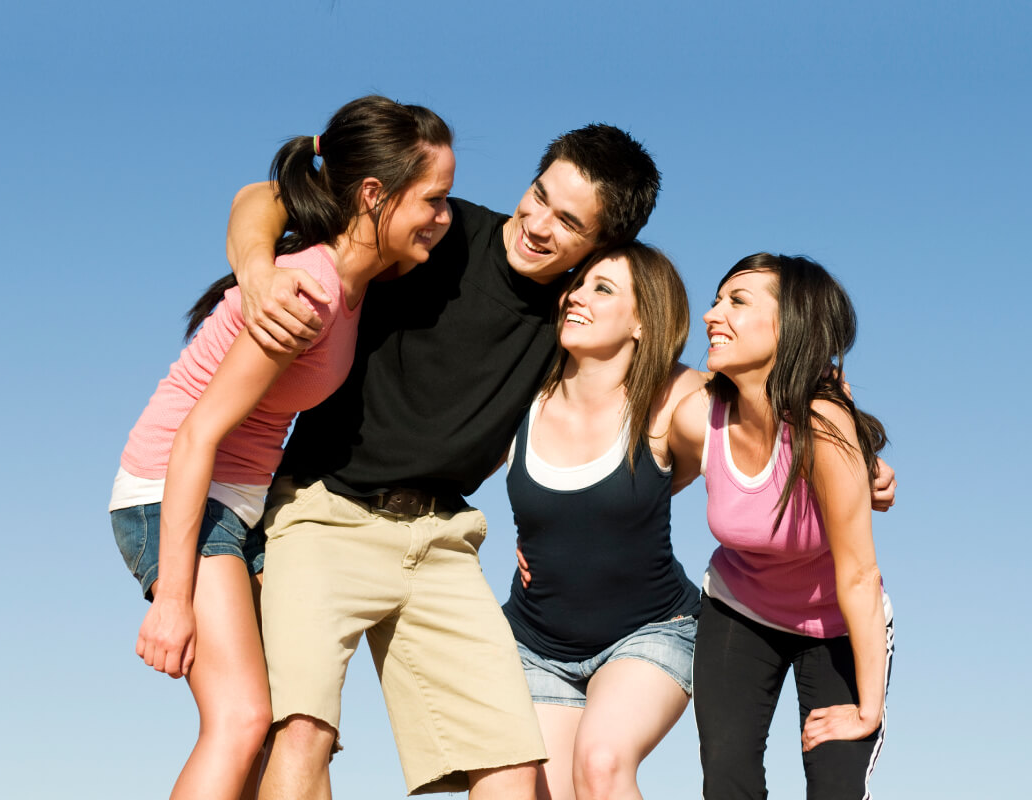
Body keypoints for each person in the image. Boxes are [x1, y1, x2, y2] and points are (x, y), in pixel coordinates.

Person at [225, 124, 662, 798]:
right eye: (539, 195)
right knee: (303, 731)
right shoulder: (438, 233)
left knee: (513, 761)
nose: (537, 223)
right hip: (324, 513)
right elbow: (265, 195)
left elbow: (677, 408)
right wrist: (256, 268)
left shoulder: (575, 319)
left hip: (441, 541)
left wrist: (839, 436)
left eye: (567, 222)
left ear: (601, 246)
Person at [108, 95, 454, 800]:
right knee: (240, 719)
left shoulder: (359, 279)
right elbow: (198, 434)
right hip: (175, 494)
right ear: (372, 195)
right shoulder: (309, 295)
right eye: (435, 200)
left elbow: (260, 193)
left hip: (240, 506)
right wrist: (172, 598)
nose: (446, 218)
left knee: (298, 725)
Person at [669, 253, 894, 799]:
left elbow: (860, 574)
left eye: (737, 301)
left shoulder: (822, 425)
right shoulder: (699, 415)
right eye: (718, 298)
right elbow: (637, 489)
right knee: (727, 780)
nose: (711, 314)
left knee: (836, 789)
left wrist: (868, 712)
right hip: (740, 610)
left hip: (835, 624)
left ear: (791, 326)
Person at [502, 242, 703, 800]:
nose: (577, 297)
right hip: (536, 642)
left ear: (643, 322)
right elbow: (440, 465)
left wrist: (859, 459)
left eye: (603, 289)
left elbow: (766, 432)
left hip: (652, 630)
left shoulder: (674, 397)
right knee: (520, 788)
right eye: (580, 283)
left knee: (602, 761)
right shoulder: (524, 394)